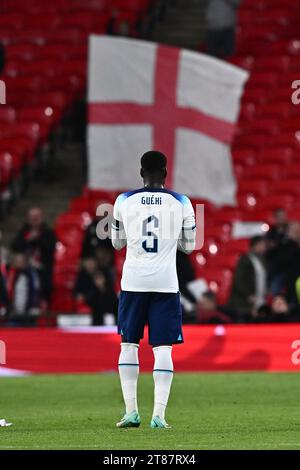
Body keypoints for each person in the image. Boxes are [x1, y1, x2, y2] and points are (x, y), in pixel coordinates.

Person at [111, 150, 196, 428]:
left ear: (140, 173)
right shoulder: (182, 202)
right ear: (166, 172)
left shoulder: (123, 200)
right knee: (163, 349)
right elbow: (189, 246)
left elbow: (117, 244)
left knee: (128, 344)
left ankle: (131, 412)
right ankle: (158, 415)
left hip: (133, 282)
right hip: (165, 283)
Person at [10, 207, 56, 305]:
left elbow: (50, 247)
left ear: (42, 218)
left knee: (42, 301)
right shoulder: (24, 232)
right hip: (25, 273)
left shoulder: (48, 232)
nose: (34, 219)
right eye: (32, 217)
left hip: (43, 274)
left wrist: (37, 239)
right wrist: (28, 239)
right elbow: (15, 246)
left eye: (37, 217)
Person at [227, 236, 268, 322]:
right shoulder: (245, 260)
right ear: (255, 245)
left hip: (258, 301)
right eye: (261, 244)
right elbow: (238, 280)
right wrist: (248, 294)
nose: (264, 247)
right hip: (244, 302)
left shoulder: (262, 260)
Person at [7, 253, 40, 326]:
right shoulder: (12, 274)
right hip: (14, 312)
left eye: (21, 261)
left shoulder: (30, 275)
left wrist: (33, 306)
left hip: (27, 312)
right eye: (17, 261)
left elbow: (35, 290)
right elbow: (9, 291)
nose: (19, 263)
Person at [266, 208, 289, 295]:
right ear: (275, 218)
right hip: (275, 269)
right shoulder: (271, 232)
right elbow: (268, 247)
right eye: (279, 216)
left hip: (290, 267)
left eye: (283, 216)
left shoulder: (290, 230)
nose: (282, 218)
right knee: (274, 291)